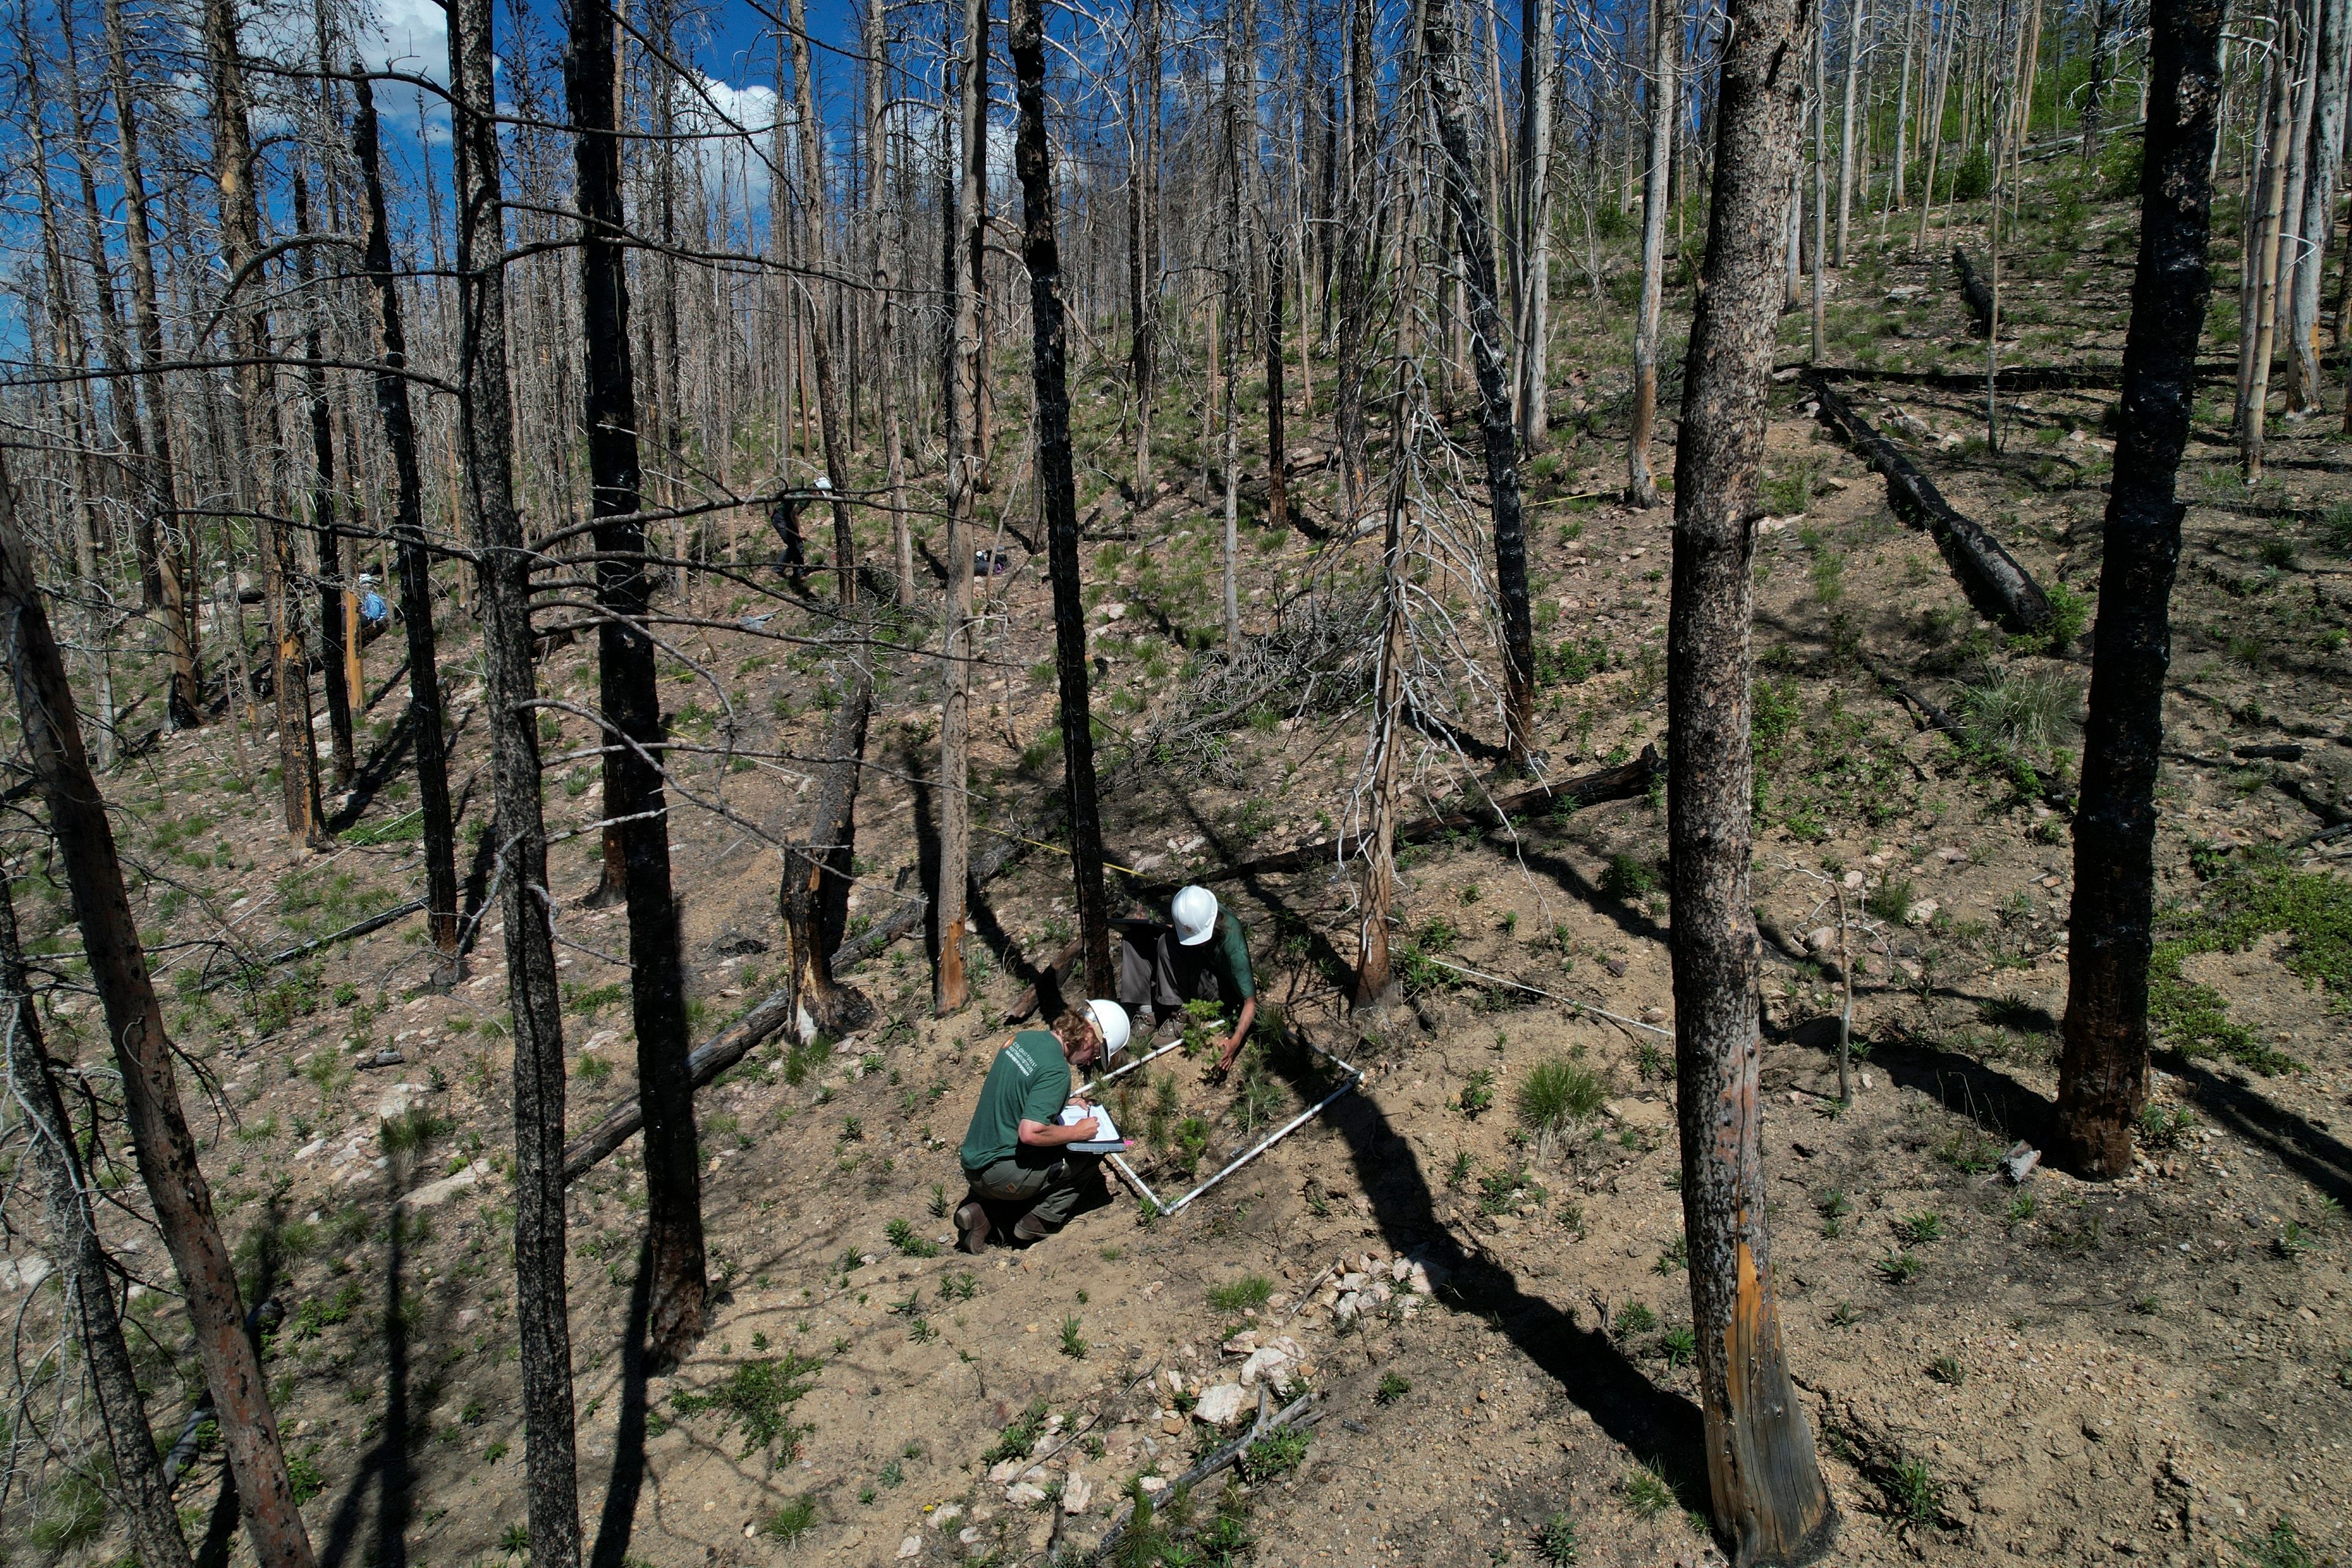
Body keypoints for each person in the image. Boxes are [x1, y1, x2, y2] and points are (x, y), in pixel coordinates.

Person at [956, 1000, 1131, 1252]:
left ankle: (980, 1216)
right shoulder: (1057, 1071)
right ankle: (1033, 1224)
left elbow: (1020, 1092)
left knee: (1050, 1150)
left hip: (974, 1163)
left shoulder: (1023, 1040)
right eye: (1095, 1052)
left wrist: (1064, 1101)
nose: (1091, 1061)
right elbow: (1030, 1133)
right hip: (998, 1175)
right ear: (1088, 1035)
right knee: (1089, 1153)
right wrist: (1078, 1132)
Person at [1117, 885, 1256, 1074]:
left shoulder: (1234, 945)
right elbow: (1178, 932)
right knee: (1135, 937)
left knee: (1167, 945)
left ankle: (1182, 1017)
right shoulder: (1197, 910)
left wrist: (1235, 1042)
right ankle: (1147, 1013)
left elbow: (1250, 1002)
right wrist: (1148, 926)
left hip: (1217, 992)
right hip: (1199, 972)